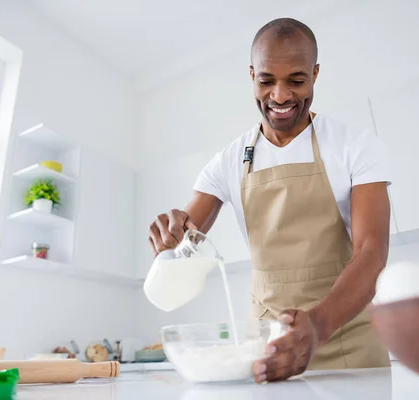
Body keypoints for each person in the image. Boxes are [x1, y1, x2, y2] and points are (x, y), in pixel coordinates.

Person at [148, 17, 392, 383]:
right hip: (267, 350)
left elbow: (372, 251)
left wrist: (318, 327)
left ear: (315, 73)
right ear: (251, 76)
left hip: (347, 339)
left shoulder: (353, 146)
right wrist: (172, 234)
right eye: (266, 81)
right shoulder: (229, 160)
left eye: (296, 80)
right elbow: (187, 233)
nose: (280, 96)